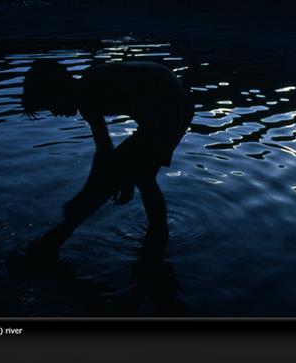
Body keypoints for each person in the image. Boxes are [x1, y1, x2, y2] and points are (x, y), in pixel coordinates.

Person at [18, 59, 194, 262]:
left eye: (50, 105)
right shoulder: (87, 91)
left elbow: (105, 154)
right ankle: (156, 243)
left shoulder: (92, 89)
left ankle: (51, 243)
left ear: (59, 89)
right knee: (138, 176)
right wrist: (123, 176)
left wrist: (87, 193)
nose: (55, 112)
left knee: (123, 179)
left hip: (171, 107)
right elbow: (104, 150)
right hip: (164, 108)